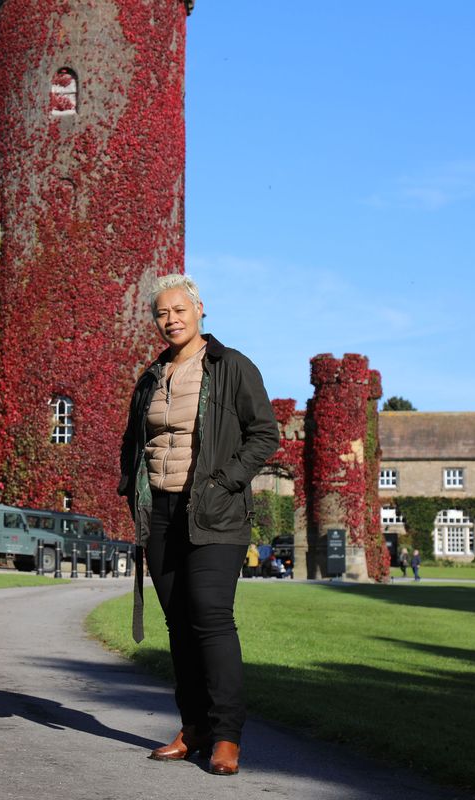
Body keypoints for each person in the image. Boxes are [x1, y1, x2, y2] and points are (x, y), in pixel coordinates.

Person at [119, 274, 279, 776]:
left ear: (199, 309)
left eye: (178, 310)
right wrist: (132, 488)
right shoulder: (151, 376)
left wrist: (224, 481)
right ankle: (194, 729)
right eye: (161, 314)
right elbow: (133, 442)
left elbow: (265, 434)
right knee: (179, 628)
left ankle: (227, 736)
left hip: (215, 513)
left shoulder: (231, 366)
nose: (171, 320)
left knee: (210, 618)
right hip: (162, 514)